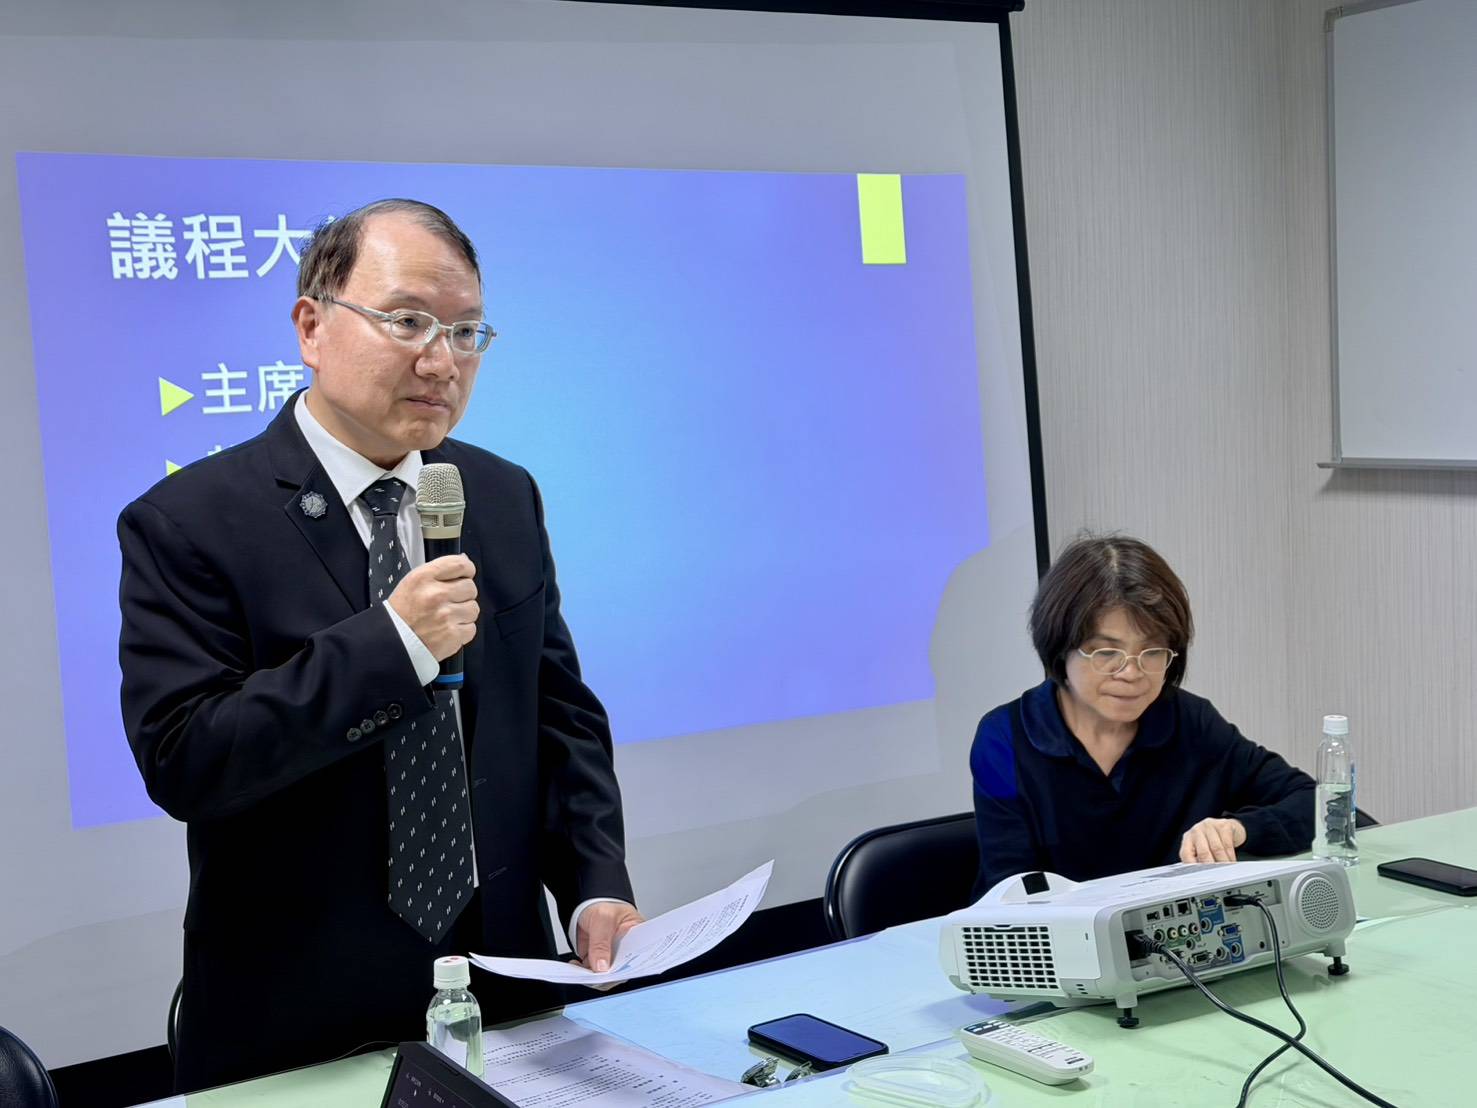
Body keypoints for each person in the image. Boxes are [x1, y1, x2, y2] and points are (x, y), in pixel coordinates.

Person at [118, 199, 641, 1092]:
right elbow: (186, 759)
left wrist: (595, 882)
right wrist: (393, 645)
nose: (442, 362)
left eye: (466, 332)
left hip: (507, 991)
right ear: (311, 326)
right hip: (299, 1016)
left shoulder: (499, 494)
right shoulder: (190, 521)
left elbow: (557, 715)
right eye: (407, 322)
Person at [970, 534, 1313, 897]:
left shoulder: (1190, 722)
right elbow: (1011, 891)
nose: (1132, 673)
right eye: (1106, 652)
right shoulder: (1005, 738)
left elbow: (1314, 802)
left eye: (1152, 651)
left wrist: (1237, 830)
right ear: (1060, 649)